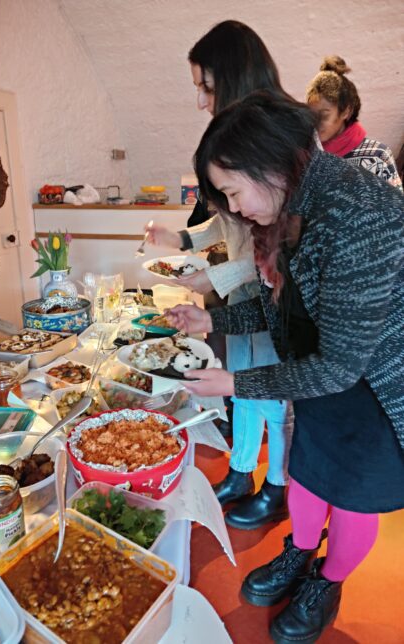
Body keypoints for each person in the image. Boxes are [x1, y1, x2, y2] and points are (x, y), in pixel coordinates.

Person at [166, 92, 404, 643]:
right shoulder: (304, 199)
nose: (237, 208)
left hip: (372, 388)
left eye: (232, 192)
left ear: (265, 161)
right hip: (321, 371)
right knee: (306, 473)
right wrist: (213, 324)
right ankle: (299, 550)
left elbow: (342, 367)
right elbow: (289, 301)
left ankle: (329, 577)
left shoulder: (359, 211)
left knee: (349, 494)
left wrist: (235, 382)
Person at [146, 20, 294, 530]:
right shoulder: (237, 136)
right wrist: (184, 241)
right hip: (244, 290)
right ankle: (241, 471)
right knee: (243, 385)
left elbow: (273, 241)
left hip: (270, 292)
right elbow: (231, 217)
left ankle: (277, 485)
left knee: (271, 391)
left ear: (232, 76)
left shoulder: (275, 138)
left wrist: (218, 281)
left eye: (206, 86)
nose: (201, 101)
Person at [306, 56, 402, 189]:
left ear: (346, 111)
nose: (316, 123)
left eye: (323, 115)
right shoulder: (306, 157)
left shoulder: (378, 157)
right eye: (311, 115)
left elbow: (396, 208)